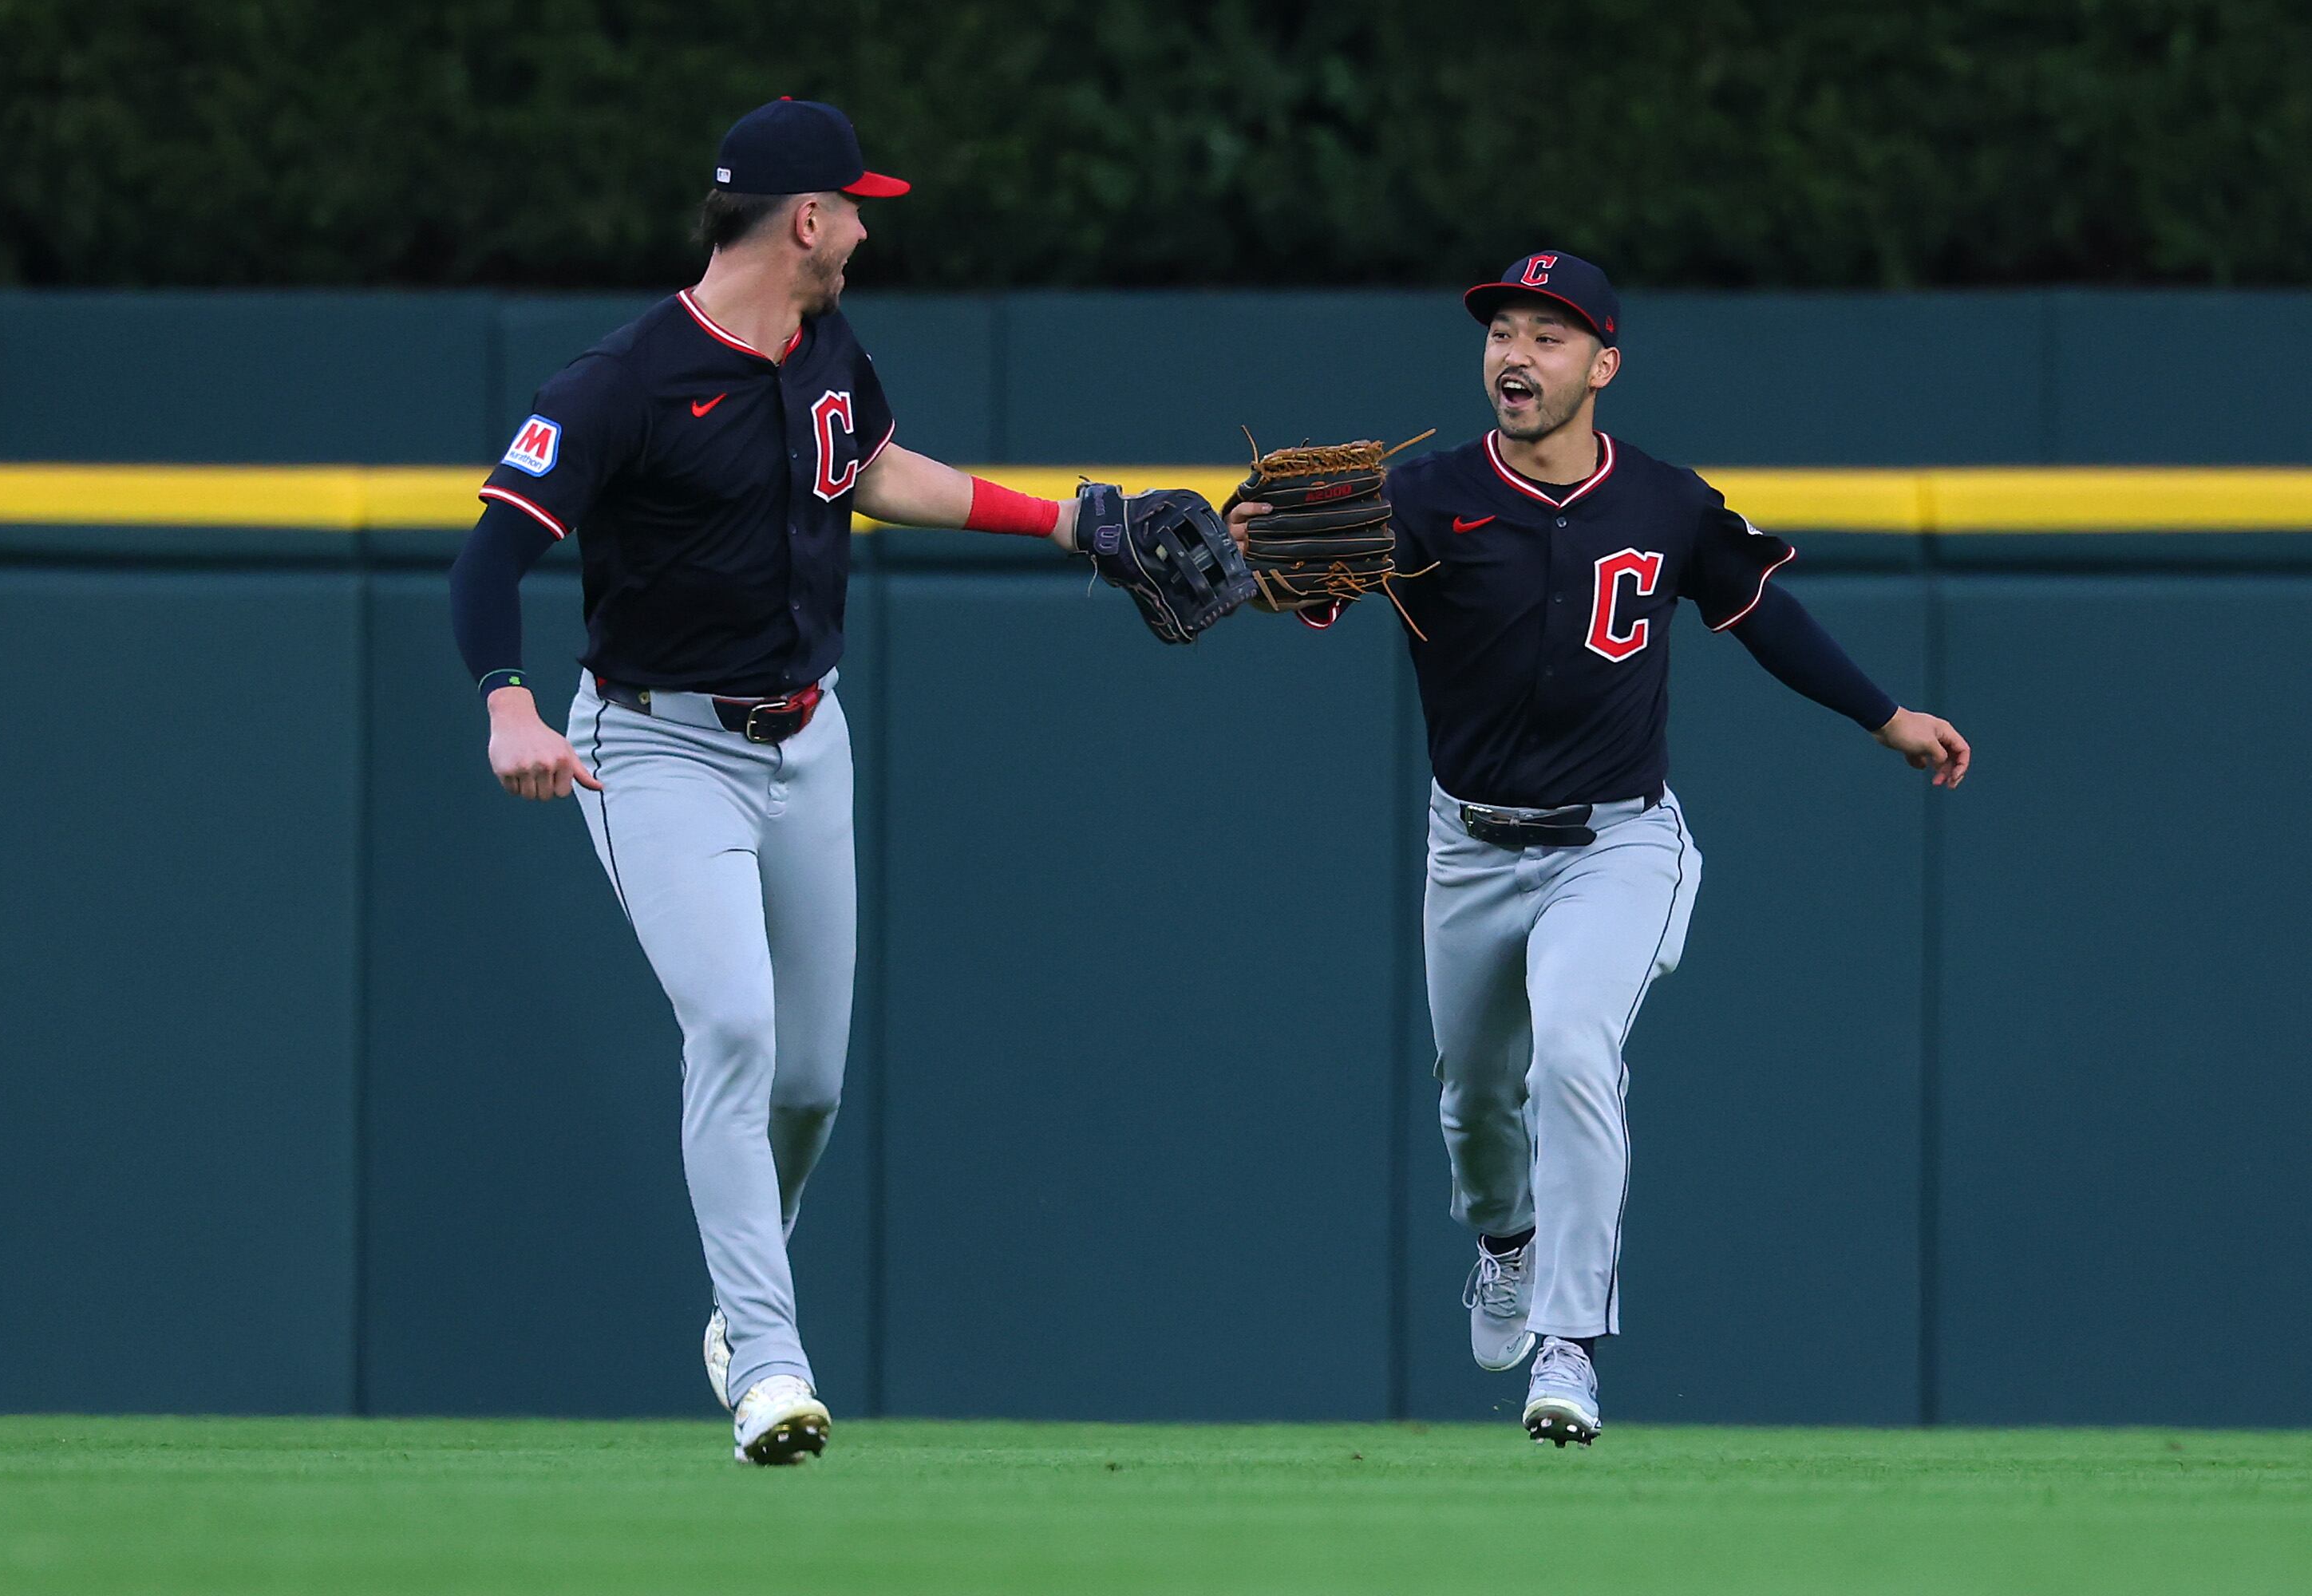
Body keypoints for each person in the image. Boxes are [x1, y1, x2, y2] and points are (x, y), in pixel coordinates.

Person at [447, 98, 1096, 1465]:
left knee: (807, 1081)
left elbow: (870, 470)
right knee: (735, 1030)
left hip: (809, 740)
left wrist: (1060, 521)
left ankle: (750, 1290)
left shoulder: (828, 348)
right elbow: (489, 556)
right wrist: (505, 700)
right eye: (855, 207)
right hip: (658, 746)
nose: (865, 227)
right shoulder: (619, 380)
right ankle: (768, 1358)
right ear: (804, 220)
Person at [1229, 251, 1970, 1447]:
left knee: (1574, 1047)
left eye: (1550, 336)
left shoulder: (1668, 503)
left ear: (1604, 365)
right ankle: (1507, 1243)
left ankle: (1569, 1345)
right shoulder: (1421, 500)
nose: (1516, 355)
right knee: (1476, 1114)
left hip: (1618, 844)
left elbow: (1762, 613)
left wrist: (1887, 718)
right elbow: (1291, 588)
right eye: (1502, 332)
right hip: (1469, 848)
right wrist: (1241, 554)